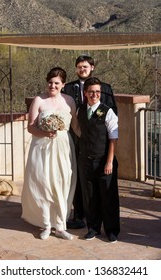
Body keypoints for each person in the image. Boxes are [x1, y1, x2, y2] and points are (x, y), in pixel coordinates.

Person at [21, 67, 81, 241]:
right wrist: (45, 132)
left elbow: (75, 126)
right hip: (42, 147)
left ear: (63, 84)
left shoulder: (69, 100)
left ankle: (61, 226)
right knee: (44, 185)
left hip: (63, 147)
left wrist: (91, 142)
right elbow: (31, 126)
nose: (52, 85)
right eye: (50, 82)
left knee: (63, 184)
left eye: (56, 83)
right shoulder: (39, 100)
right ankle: (47, 224)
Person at [63, 55, 117, 229]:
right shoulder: (68, 89)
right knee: (81, 182)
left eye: (85, 66)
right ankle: (80, 215)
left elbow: (112, 119)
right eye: (79, 66)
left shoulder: (106, 88)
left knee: (102, 188)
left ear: (92, 67)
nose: (82, 69)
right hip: (75, 142)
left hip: (99, 145)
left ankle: (106, 224)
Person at [77, 77, 120, 243]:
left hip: (103, 161)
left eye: (97, 92)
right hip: (85, 162)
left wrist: (109, 161)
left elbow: (113, 139)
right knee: (90, 197)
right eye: (91, 91)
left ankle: (111, 230)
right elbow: (79, 131)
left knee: (108, 197)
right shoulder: (80, 110)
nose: (95, 94)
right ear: (85, 93)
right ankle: (93, 228)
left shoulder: (107, 112)